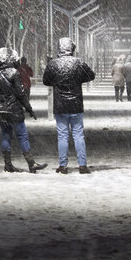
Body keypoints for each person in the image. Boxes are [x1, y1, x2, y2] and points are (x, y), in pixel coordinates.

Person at [43, 37, 95, 174]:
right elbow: (91, 75)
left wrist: (57, 81)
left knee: (62, 136)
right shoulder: (78, 63)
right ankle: (82, 165)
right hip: (76, 104)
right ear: (72, 48)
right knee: (78, 135)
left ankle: (63, 165)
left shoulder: (53, 64)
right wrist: (77, 79)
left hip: (60, 105)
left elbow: (46, 81)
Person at [0, 48, 47, 173]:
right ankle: (31, 163)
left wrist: (0, 106)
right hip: (14, 110)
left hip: (0, 110)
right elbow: (20, 94)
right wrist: (29, 108)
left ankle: (8, 164)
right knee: (22, 136)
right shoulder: (14, 73)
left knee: (6, 136)